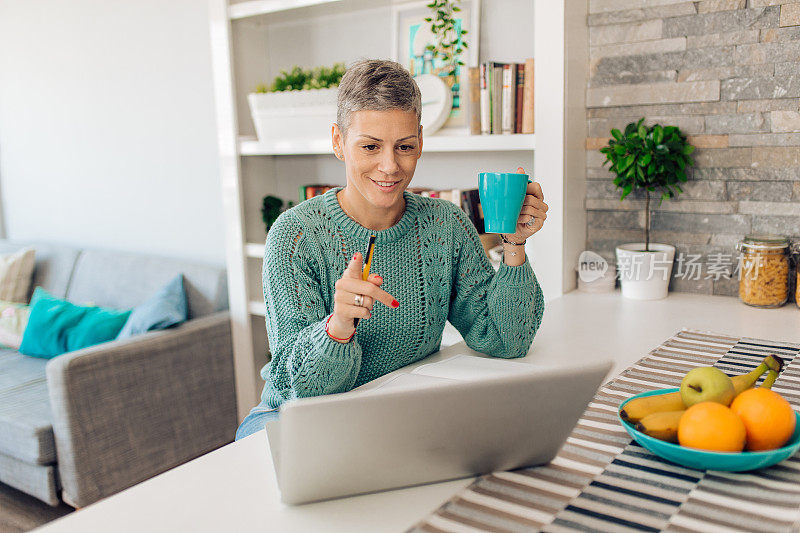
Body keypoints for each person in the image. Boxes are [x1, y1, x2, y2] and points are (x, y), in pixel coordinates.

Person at [235, 59, 548, 440]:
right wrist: (338, 327)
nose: (390, 166)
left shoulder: (445, 225)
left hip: (392, 419)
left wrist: (514, 244)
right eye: (370, 146)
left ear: (420, 141)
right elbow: (299, 389)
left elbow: (505, 340)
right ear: (338, 141)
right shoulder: (294, 236)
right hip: (295, 421)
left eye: (405, 146)